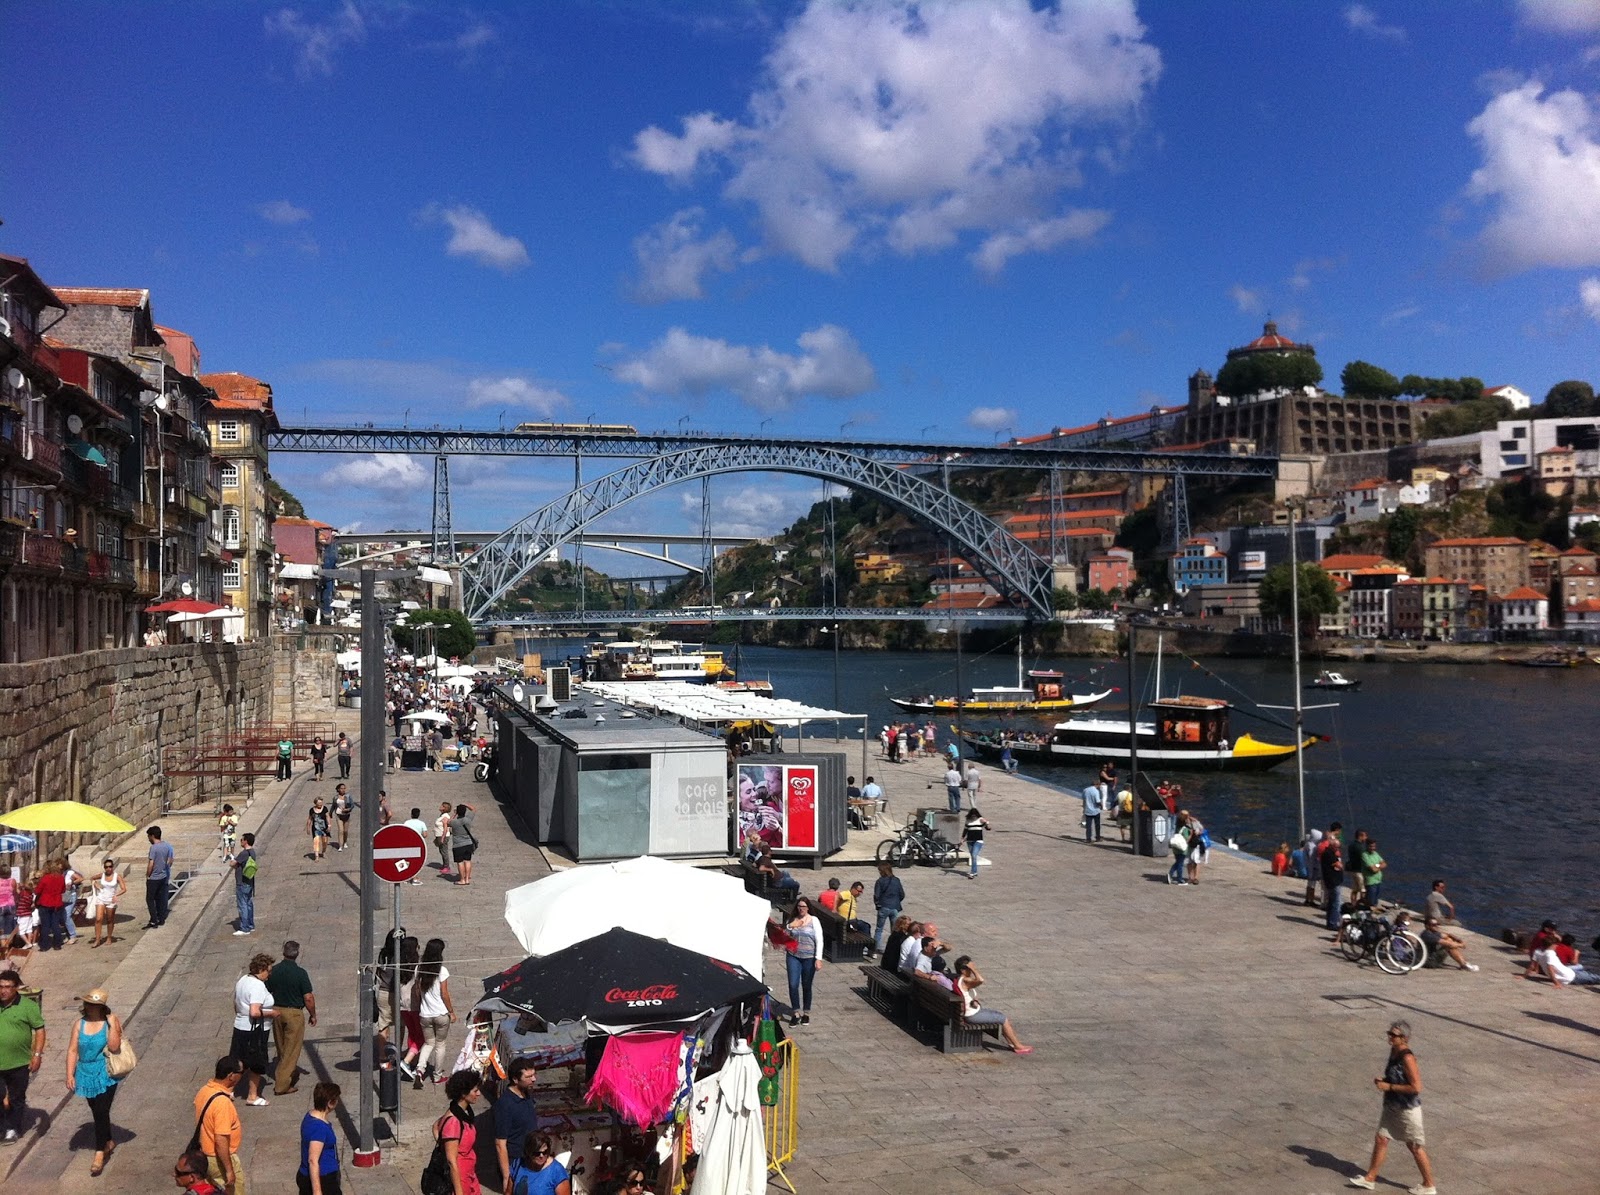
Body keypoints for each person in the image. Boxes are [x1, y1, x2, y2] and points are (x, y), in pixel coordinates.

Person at [1346, 1021, 1436, 1195]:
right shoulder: (1394, 1051)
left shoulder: (1407, 1058)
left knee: (1415, 1146)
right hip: (1392, 1106)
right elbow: (1397, 1077)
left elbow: (1416, 1087)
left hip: (1407, 1109)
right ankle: (1370, 1178)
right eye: (1389, 1033)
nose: (1390, 1037)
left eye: (1394, 1035)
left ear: (1404, 1038)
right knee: (1381, 1139)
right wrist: (1385, 1080)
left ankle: (1429, 1184)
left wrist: (1389, 1087)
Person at [65, 987, 122, 1176]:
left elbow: (114, 1047)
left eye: (93, 1004)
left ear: (101, 1007)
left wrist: (113, 1024)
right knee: (97, 1110)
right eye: (87, 1003)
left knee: (101, 1110)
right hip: (84, 1072)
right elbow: (72, 1050)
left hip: (105, 1072)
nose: (89, 1007)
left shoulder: (109, 1022)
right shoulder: (79, 1024)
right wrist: (70, 1074)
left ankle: (99, 1153)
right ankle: (108, 1141)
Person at [0, 968, 46, 1145]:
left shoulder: (28, 1006)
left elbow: (40, 1030)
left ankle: (13, 1128)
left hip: (19, 1062)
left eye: (8, 987)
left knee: (16, 1098)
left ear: (16, 988)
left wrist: (37, 1055)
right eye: (1, 986)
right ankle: (2, 1127)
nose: (3, 991)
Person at [952, 956, 1032, 1054]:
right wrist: (974, 969)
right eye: (969, 968)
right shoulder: (966, 981)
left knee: (999, 1015)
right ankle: (1018, 1046)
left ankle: (1012, 1043)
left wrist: (974, 1000)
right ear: (963, 970)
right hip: (972, 1016)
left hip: (972, 1011)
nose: (971, 971)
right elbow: (980, 980)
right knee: (1002, 1018)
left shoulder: (960, 979)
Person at [268, 941, 318, 1096]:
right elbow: (308, 997)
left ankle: (290, 1073)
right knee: (291, 1049)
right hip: (294, 1013)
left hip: (276, 1011)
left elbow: (267, 990)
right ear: (297, 954)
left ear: (283, 952)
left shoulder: (274, 971)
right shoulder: (300, 973)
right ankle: (282, 1085)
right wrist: (313, 1014)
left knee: (281, 1046)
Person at [193, 1056, 246, 1194]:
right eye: (241, 1072)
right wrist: (229, 1170)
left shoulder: (204, 1091)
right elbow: (221, 1139)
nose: (242, 1076)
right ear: (231, 1076)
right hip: (218, 1159)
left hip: (205, 1155)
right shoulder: (222, 1103)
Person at [232, 953, 279, 1106]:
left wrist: (241, 1015)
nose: (269, 975)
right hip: (256, 1030)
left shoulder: (243, 980)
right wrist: (272, 1013)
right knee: (256, 1062)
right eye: (268, 971)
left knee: (239, 1061)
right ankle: (252, 1095)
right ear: (261, 969)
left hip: (240, 1025)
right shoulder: (258, 985)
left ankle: (228, 1089)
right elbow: (255, 1012)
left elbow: (235, 1003)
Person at [413, 937, 455, 1087]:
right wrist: (451, 1012)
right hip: (441, 1014)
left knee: (428, 1043)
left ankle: (419, 1069)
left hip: (425, 1014)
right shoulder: (442, 971)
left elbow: (417, 990)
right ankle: (437, 1076)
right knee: (440, 1044)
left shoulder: (419, 969)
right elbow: (444, 994)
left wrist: (421, 1004)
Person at [493, 1058, 540, 1193]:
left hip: (531, 1160)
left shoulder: (526, 1094)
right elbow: (500, 1143)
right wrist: (507, 1177)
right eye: (528, 1077)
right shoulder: (505, 1105)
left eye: (534, 1075)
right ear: (515, 1079)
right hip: (517, 1165)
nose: (534, 1079)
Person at [434, 1069, 483, 1195]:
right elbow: (451, 1161)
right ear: (463, 1094)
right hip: (460, 1177)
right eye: (475, 1091)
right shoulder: (454, 1121)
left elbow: (435, 1126)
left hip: (469, 1172)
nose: (478, 1094)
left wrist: (442, 1142)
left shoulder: (460, 1112)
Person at [297, 1082, 342, 1195]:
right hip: (324, 1179)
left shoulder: (310, 1115)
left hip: (309, 1174)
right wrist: (317, 1191)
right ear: (330, 1103)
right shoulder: (319, 1128)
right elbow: (313, 1160)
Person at [785, 897, 823, 1026]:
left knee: (806, 985)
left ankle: (806, 1012)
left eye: (804, 907)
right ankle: (796, 1012)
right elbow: (784, 934)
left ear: (808, 908)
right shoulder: (792, 920)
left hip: (809, 957)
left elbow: (819, 940)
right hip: (793, 956)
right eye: (799, 906)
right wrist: (790, 926)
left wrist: (818, 958)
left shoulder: (814, 920)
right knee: (793, 984)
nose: (801, 909)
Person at [1527, 939, 1600, 987]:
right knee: (1595, 978)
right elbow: (1550, 968)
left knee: (1589, 973)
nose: (1556, 946)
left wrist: (1524, 975)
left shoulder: (1537, 951)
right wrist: (1556, 983)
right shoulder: (1550, 954)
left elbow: (1532, 965)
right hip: (1570, 977)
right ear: (1551, 945)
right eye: (1555, 945)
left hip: (1568, 971)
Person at [33, 859, 68, 952]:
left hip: (45, 903)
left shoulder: (45, 878)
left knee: (45, 925)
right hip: (57, 903)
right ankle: (57, 944)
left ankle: (44, 946)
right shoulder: (61, 878)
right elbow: (63, 890)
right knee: (55, 924)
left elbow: (37, 891)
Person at [871, 862, 904, 954]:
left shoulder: (880, 881)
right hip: (895, 907)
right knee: (894, 930)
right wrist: (896, 901)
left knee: (879, 929)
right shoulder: (896, 880)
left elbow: (877, 895)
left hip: (883, 907)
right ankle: (893, 949)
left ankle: (875, 949)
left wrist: (877, 904)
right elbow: (902, 894)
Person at [1319, 822, 1347, 931]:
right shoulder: (1329, 854)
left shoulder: (1328, 853)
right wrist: (1339, 865)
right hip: (1333, 881)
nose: (1338, 850)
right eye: (1337, 848)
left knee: (1331, 903)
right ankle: (1333, 923)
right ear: (1333, 846)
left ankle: (1330, 922)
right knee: (1335, 903)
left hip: (1331, 881)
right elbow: (1339, 865)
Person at [146, 824, 175, 929]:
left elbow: (151, 863)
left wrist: (148, 875)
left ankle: (154, 919)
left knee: (150, 899)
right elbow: (170, 860)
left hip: (154, 878)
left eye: (149, 836)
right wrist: (165, 868)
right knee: (161, 898)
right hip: (163, 876)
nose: (148, 839)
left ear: (152, 836)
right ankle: (161, 918)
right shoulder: (167, 846)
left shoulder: (153, 848)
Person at [232, 834, 258, 936]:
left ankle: (244, 928)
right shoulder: (252, 852)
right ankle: (250, 925)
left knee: (242, 905)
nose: (241, 841)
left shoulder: (243, 853)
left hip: (242, 882)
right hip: (249, 881)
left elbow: (233, 863)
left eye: (242, 839)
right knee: (248, 903)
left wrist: (232, 862)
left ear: (246, 841)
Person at [450, 803, 478, 885]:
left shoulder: (454, 822)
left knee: (460, 862)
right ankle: (467, 879)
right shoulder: (468, 819)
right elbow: (473, 809)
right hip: (468, 843)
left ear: (457, 812)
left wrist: (454, 814)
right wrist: (465, 804)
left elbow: (447, 822)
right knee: (468, 861)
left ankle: (462, 880)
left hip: (458, 844)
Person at [405, 807, 431, 885]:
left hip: (408, 843)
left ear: (411, 814)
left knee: (407, 860)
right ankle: (414, 878)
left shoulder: (407, 822)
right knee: (415, 861)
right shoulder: (422, 823)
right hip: (417, 843)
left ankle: (406, 876)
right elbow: (425, 834)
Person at [1359, 837, 1387, 909]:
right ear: (1367, 846)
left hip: (1378, 880)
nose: (1373, 848)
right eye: (1371, 846)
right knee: (1370, 902)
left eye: (1374, 846)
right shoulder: (1364, 855)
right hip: (1370, 882)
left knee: (1375, 901)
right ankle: (1367, 912)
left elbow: (1384, 864)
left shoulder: (1376, 854)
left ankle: (1372, 911)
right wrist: (1379, 866)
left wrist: (1376, 866)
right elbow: (1373, 870)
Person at [1183, 812, 1209, 885]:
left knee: (1196, 861)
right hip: (1187, 845)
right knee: (1188, 861)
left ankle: (1196, 877)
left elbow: (1202, 829)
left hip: (1195, 844)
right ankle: (1190, 877)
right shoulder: (1182, 824)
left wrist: (1198, 833)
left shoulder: (1194, 822)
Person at [963, 807, 989, 877]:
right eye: (972, 816)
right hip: (969, 840)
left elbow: (987, 828)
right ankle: (975, 871)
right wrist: (962, 838)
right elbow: (965, 830)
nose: (973, 817)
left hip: (978, 841)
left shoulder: (980, 819)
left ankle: (972, 872)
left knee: (974, 855)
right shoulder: (968, 820)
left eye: (974, 816)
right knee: (972, 856)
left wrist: (986, 823)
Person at [1346, 830, 1369, 906]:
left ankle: (1353, 904)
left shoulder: (1351, 845)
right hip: (1359, 870)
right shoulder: (1360, 847)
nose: (1366, 838)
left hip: (1353, 869)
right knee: (1363, 890)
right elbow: (1364, 858)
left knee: (1355, 889)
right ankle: (1362, 905)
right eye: (1365, 836)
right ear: (1360, 836)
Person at [305, 798, 331, 863]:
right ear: (315, 803)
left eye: (321, 803)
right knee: (316, 841)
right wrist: (308, 828)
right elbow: (310, 819)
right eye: (319, 803)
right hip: (315, 828)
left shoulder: (324, 808)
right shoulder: (312, 810)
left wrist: (329, 825)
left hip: (324, 828)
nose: (320, 804)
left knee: (325, 841)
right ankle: (316, 856)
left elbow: (327, 816)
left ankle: (323, 852)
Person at [434, 803, 454, 876]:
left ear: (445, 808)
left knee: (444, 851)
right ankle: (444, 865)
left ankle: (447, 867)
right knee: (441, 851)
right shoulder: (442, 815)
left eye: (442, 806)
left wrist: (443, 837)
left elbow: (445, 828)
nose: (440, 806)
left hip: (443, 836)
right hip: (439, 835)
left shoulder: (445, 816)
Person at [332, 784, 353, 852]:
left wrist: (348, 809)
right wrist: (330, 813)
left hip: (346, 815)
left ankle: (345, 841)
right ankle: (340, 846)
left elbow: (352, 805)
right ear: (338, 789)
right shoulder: (335, 797)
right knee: (340, 830)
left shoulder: (348, 796)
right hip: (339, 815)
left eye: (344, 788)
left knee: (345, 831)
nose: (343, 790)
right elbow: (333, 806)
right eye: (341, 788)